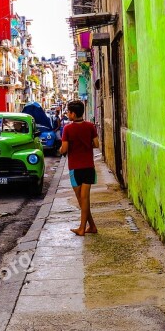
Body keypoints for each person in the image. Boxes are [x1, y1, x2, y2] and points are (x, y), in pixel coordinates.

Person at [59, 100, 99, 236]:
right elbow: (96, 144)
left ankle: (82, 228)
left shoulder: (68, 129)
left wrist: (60, 150)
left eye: (69, 112)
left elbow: (64, 148)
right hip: (89, 166)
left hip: (75, 168)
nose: (67, 114)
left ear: (73, 114)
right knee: (85, 199)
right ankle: (91, 226)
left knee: (81, 200)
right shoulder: (90, 126)